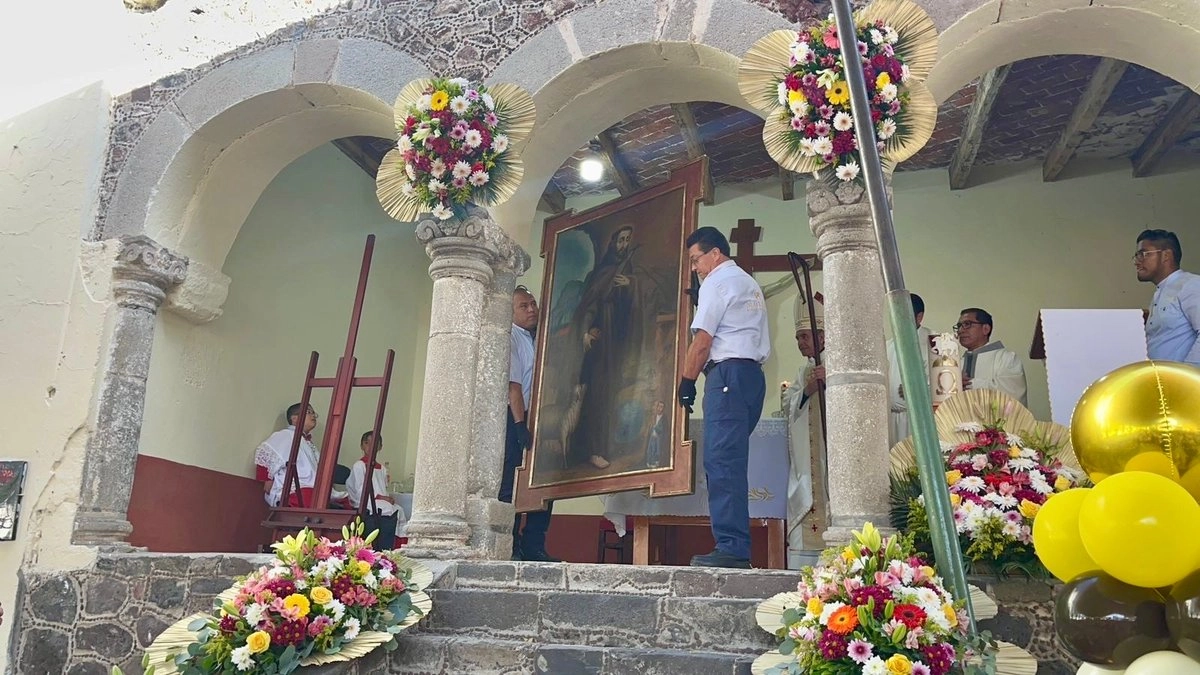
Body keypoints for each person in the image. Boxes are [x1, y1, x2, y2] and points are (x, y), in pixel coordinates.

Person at [678, 226, 770, 569]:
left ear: (715, 253)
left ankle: (732, 547)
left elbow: (703, 341)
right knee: (729, 460)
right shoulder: (747, 281)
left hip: (728, 377)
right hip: (750, 378)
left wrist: (687, 381)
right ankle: (733, 544)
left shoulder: (716, 282)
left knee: (722, 462)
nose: (695, 268)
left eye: (696, 259)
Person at [499, 286, 559, 562]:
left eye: (533, 303)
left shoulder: (540, 338)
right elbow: (514, 387)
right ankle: (510, 546)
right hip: (516, 418)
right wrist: (520, 425)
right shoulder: (511, 338)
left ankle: (534, 545)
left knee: (546, 480)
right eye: (524, 306)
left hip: (541, 417)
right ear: (511, 312)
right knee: (511, 482)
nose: (532, 309)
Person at [781, 296, 829, 568]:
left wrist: (828, 381)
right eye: (798, 338)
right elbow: (790, 404)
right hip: (809, 463)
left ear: (822, 337)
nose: (800, 343)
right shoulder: (804, 371)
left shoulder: (834, 363)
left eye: (805, 337)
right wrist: (808, 390)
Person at [254, 403, 348, 507]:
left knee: (348, 501)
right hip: (295, 489)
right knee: (312, 498)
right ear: (294, 419)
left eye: (314, 413)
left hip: (312, 488)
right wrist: (267, 480)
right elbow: (265, 453)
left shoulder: (307, 442)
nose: (313, 416)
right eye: (309, 412)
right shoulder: (285, 435)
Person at [1135, 229, 1200, 365]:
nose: (1137, 261)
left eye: (1143, 254)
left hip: (1182, 378)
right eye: (1137, 255)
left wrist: (1186, 374)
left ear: (1166, 255)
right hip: (1159, 377)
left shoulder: (1190, 284)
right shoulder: (1160, 293)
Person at [886, 293, 932, 447]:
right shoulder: (889, 344)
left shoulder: (933, 343)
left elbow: (940, 381)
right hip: (891, 418)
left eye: (902, 314)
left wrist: (916, 388)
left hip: (917, 418)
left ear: (919, 317)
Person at [955, 308, 1027, 405]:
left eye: (967, 324)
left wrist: (970, 384)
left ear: (986, 329)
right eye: (959, 326)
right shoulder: (957, 363)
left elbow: (1012, 394)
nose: (960, 331)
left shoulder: (1007, 358)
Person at [345, 430, 405, 520]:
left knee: (399, 510)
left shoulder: (382, 469)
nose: (370, 446)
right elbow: (360, 491)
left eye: (374, 443)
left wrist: (387, 498)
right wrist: (381, 497)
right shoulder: (359, 465)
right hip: (364, 501)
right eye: (366, 443)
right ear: (361, 446)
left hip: (379, 500)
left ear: (380, 447)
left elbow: (382, 489)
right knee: (390, 510)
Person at [644, 400, 666, 468]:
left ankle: (655, 463)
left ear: (663, 409)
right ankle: (649, 463)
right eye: (659, 406)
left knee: (657, 451)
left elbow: (663, 429)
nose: (659, 408)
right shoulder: (654, 417)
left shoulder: (664, 418)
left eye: (661, 407)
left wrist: (656, 427)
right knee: (650, 450)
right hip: (652, 436)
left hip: (659, 438)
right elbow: (649, 426)